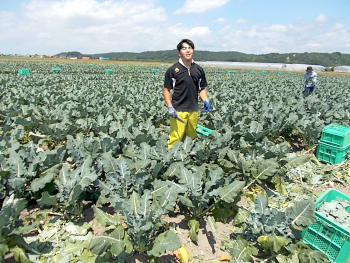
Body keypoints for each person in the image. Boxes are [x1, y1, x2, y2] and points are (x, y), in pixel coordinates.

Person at [163, 39, 210, 149]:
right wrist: (170, 107)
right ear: (179, 53)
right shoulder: (173, 70)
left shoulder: (198, 69)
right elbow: (166, 90)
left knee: (191, 137)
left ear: (193, 51)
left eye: (190, 48)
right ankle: (171, 159)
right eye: (184, 48)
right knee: (176, 137)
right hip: (178, 110)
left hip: (193, 109)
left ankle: (188, 159)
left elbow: (201, 88)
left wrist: (205, 99)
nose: (187, 50)